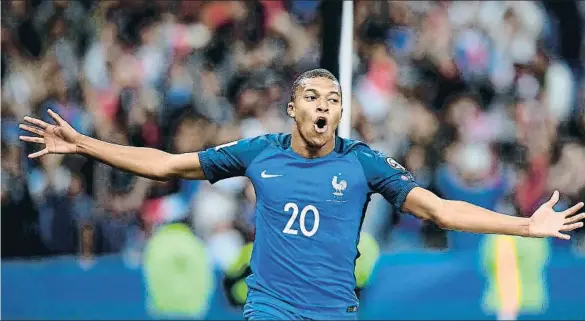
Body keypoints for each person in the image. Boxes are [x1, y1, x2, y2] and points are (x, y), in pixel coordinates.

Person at [19, 69, 585, 320]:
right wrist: (87, 145)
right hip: (271, 309)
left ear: (341, 110)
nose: (322, 106)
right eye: (311, 97)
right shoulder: (261, 152)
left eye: (332, 98)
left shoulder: (362, 162)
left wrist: (524, 227)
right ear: (293, 108)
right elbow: (166, 163)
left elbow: (439, 210)